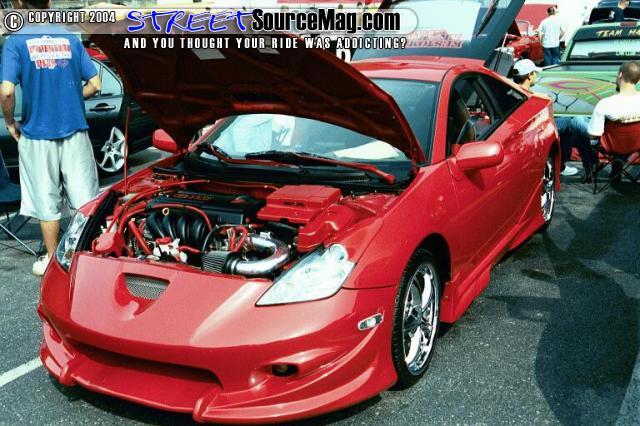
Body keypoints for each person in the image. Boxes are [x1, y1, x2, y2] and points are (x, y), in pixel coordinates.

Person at [0, 0, 101, 276]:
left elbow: (6, 91)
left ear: (18, 4)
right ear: (49, 2)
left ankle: (53, 261)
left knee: (46, 201)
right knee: (85, 199)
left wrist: (10, 122)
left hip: (36, 134)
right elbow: (95, 84)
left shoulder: (16, 41)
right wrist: (70, 99)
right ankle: (86, 257)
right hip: (75, 130)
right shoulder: (70, 37)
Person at [511, 59, 596, 178]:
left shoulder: (512, 93)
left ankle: (578, 162)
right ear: (529, 75)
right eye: (535, 73)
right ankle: (595, 140)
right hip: (534, 133)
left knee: (570, 126)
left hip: (528, 131)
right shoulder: (529, 97)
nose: (536, 75)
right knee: (571, 120)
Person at [588, 60, 640, 182]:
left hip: (611, 146)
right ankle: (618, 164)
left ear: (620, 75)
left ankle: (590, 169)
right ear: (638, 79)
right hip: (636, 145)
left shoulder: (605, 103)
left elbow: (594, 134)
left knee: (576, 122)